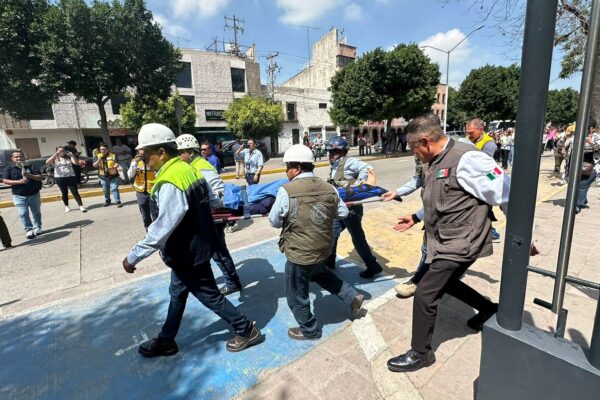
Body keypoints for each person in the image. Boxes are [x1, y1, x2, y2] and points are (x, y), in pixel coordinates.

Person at [123, 123, 262, 357]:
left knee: (209, 295)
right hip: (192, 249)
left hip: (187, 253)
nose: (143, 159)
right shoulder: (188, 169)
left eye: (146, 153)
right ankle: (167, 340)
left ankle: (246, 329)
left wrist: (133, 257)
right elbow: (212, 200)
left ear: (161, 153)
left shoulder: (170, 180)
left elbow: (161, 228)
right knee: (177, 292)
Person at [386, 115, 507, 373]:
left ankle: (421, 353)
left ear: (426, 141)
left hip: (463, 240)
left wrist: (524, 237)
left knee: (425, 293)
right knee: (448, 283)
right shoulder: (435, 161)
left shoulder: (469, 158)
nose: (413, 153)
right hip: (443, 239)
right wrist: (416, 216)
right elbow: (441, 199)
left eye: (412, 148)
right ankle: (488, 309)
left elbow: (506, 192)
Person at [269, 144, 365, 340]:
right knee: (320, 273)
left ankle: (309, 330)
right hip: (323, 247)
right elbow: (343, 213)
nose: (287, 171)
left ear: (296, 168)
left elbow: (274, 221)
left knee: (296, 293)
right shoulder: (329, 188)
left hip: (300, 251)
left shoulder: (287, 190)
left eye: (287, 167)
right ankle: (352, 297)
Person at [176, 134, 243, 295]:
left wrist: (208, 209)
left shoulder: (201, 166)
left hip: (213, 216)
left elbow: (217, 191)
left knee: (218, 252)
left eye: (181, 152)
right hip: (209, 215)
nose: (179, 156)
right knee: (216, 252)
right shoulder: (195, 165)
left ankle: (232, 282)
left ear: (191, 152)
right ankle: (232, 281)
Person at [325, 136, 383, 279]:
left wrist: (358, 186)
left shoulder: (350, 162)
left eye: (335, 152)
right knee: (332, 233)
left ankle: (373, 266)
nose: (331, 155)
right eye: (330, 152)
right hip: (339, 207)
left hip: (351, 208)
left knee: (357, 238)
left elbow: (368, 168)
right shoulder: (335, 164)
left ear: (343, 151)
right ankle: (329, 261)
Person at [466, 119, 501, 243]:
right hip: (473, 179)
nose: (469, 135)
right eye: (467, 132)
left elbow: (483, 165)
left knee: (482, 207)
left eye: (471, 133)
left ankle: (491, 232)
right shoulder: (469, 140)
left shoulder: (489, 143)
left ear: (481, 130)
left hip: (486, 179)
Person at [2, 150, 44, 239]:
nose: (18, 158)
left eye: (20, 156)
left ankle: (38, 227)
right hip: (18, 196)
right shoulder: (9, 168)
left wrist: (29, 175)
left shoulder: (31, 165)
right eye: (16, 157)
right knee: (23, 213)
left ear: (24, 157)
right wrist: (19, 181)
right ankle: (29, 230)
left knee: (36, 213)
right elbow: (5, 180)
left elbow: (41, 177)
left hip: (34, 194)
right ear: (12, 158)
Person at [46, 147, 87, 213]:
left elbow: (76, 163)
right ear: (57, 151)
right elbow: (47, 162)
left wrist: (72, 155)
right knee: (64, 193)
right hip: (60, 178)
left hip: (71, 177)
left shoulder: (68, 157)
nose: (62, 152)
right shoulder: (55, 158)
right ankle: (66, 206)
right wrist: (55, 154)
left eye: (63, 150)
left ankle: (81, 206)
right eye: (60, 151)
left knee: (75, 192)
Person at [128, 149, 158, 230]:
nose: (141, 154)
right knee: (145, 214)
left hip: (152, 191)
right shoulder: (135, 162)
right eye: (139, 151)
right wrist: (135, 163)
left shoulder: (153, 161)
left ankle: (157, 232)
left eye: (144, 151)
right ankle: (148, 230)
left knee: (155, 212)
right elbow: (130, 174)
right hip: (140, 191)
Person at [575, 126, 600, 213]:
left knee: (583, 184)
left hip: (593, 167)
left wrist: (591, 142)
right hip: (578, 166)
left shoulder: (597, 137)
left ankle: (578, 205)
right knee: (579, 184)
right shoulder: (579, 136)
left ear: (593, 128)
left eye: (589, 127)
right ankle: (583, 200)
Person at [93, 143, 122, 207]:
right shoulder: (97, 156)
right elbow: (94, 165)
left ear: (107, 149)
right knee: (105, 190)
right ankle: (107, 201)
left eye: (104, 149)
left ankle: (118, 202)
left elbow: (117, 164)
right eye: (101, 149)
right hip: (103, 176)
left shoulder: (113, 155)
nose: (102, 151)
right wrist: (99, 160)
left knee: (114, 189)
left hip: (113, 175)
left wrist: (111, 168)